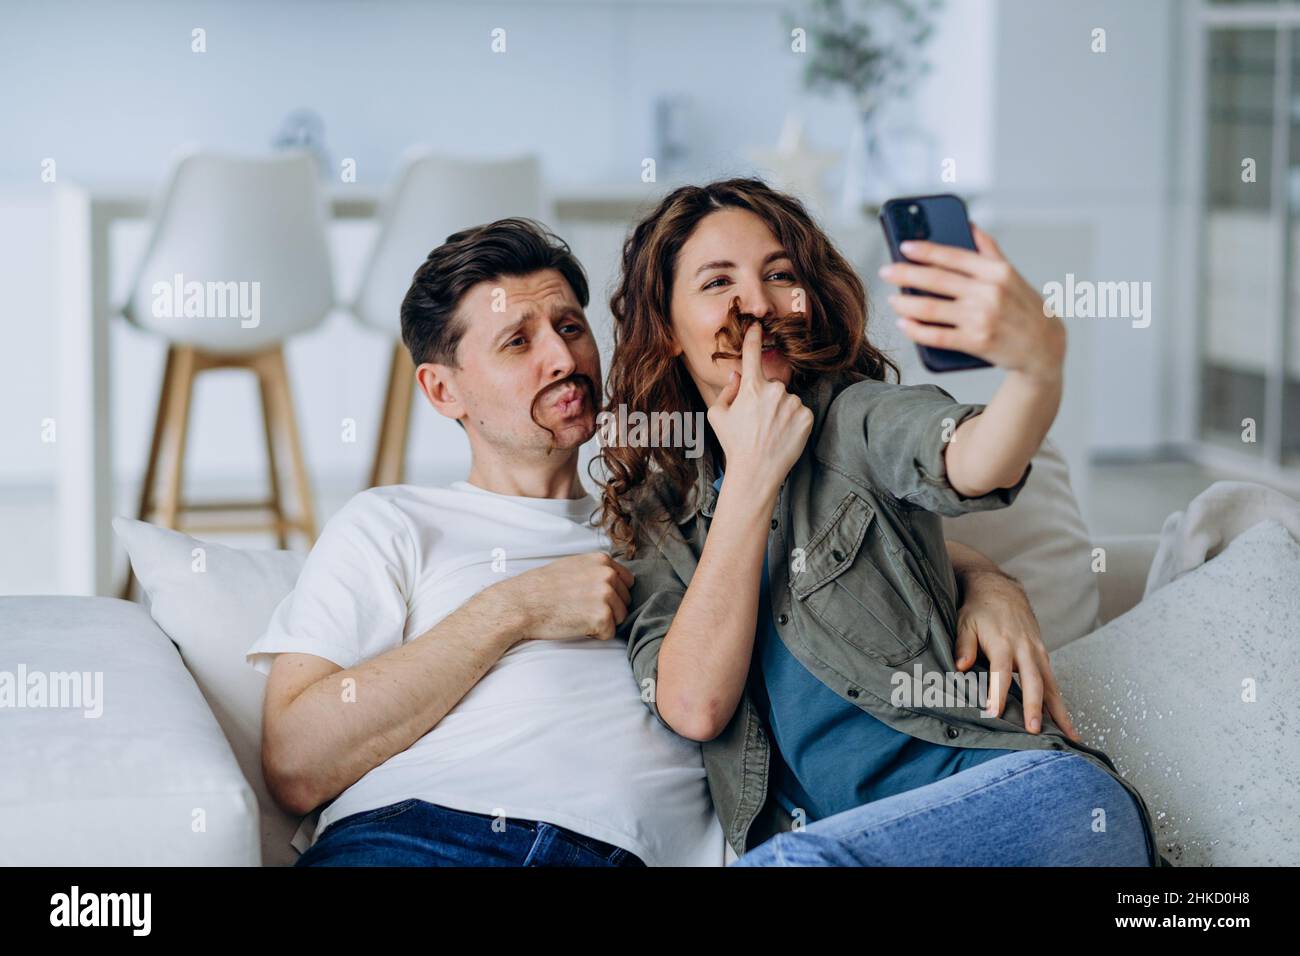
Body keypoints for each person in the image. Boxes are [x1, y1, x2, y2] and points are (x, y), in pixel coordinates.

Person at [246, 216, 1046, 867]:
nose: (563, 357)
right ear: (442, 388)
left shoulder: (675, 516)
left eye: (569, 326)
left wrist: (985, 580)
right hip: (421, 842)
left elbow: (843, 530)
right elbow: (295, 759)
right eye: (518, 342)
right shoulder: (390, 524)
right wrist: (513, 610)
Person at [599, 178, 1162, 866]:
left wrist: (1037, 370)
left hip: (1035, 802)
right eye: (718, 282)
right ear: (667, 329)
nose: (759, 303)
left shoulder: (856, 419)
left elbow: (973, 458)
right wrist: (751, 475)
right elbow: (693, 705)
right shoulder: (657, 521)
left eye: (780, 274)